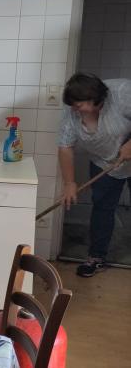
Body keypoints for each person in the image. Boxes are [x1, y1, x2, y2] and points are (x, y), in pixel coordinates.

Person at [58, 73, 131, 277]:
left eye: (78, 105)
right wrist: (70, 183)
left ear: (95, 100)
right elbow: (65, 147)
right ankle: (96, 257)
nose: (74, 109)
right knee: (102, 208)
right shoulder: (72, 112)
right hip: (105, 162)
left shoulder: (122, 92)